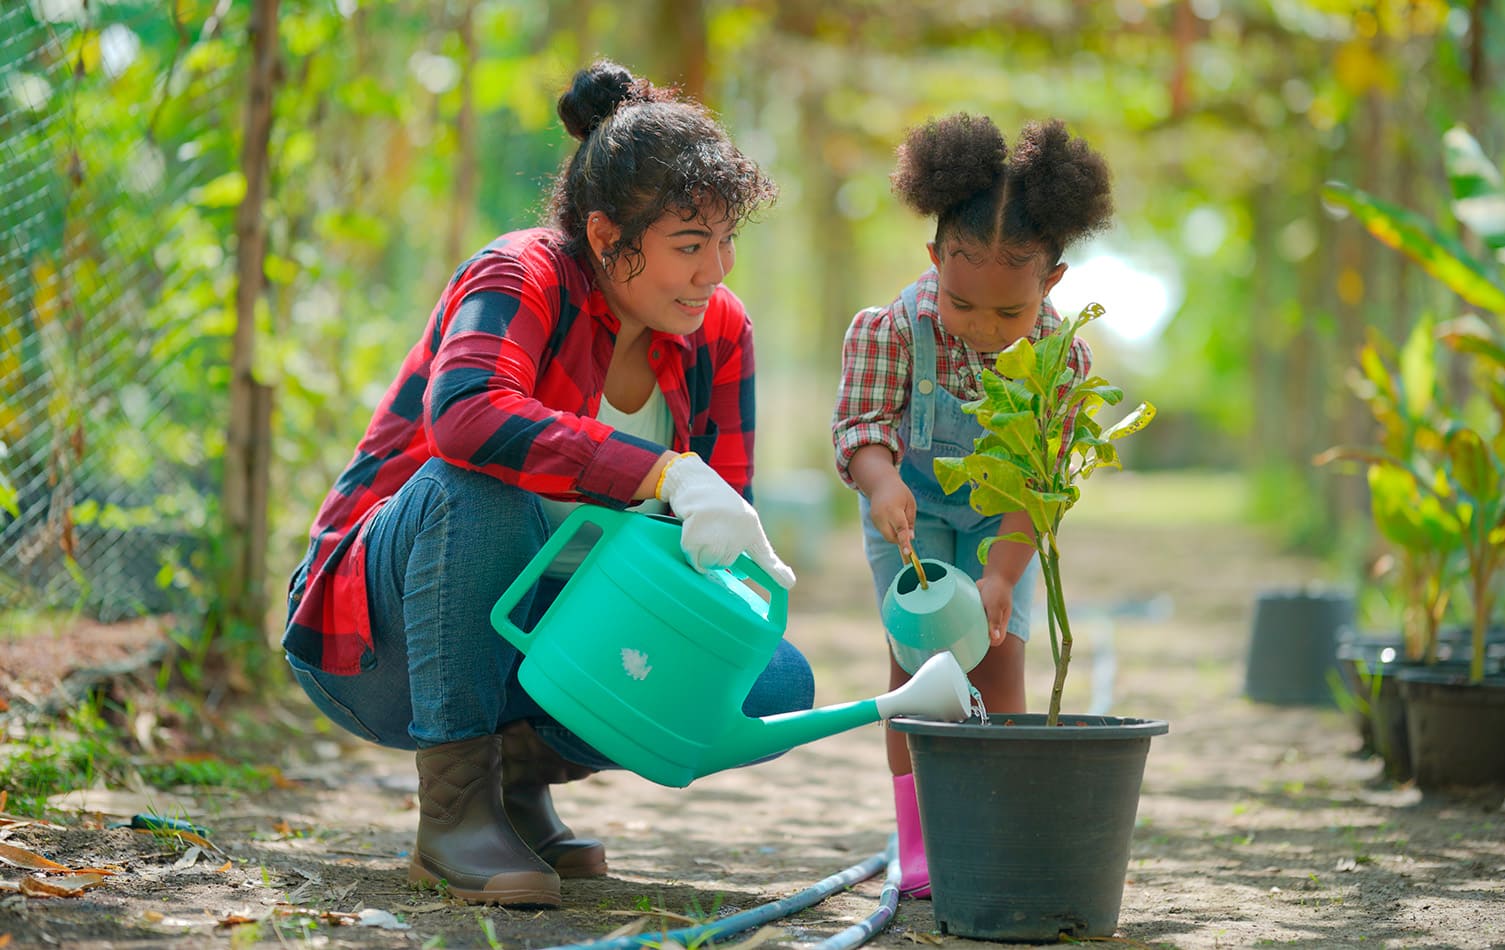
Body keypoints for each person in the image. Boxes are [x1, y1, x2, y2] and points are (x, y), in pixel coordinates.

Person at [281, 59, 811, 909]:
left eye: (724, 241)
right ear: (606, 238)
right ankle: (454, 811)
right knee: (479, 485)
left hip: (543, 635)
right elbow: (467, 418)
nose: (716, 269)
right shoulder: (519, 274)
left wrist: (728, 560)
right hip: (385, 641)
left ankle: (517, 784)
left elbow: (706, 530)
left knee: (770, 677)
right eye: (688, 245)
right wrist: (662, 470)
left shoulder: (719, 330)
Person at [831, 113, 1113, 898]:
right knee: (915, 661)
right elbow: (861, 427)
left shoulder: (1063, 360)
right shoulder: (890, 331)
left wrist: (1002, 574)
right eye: (964, 307)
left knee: (998, 657)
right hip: (908, 511)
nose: (985, 331)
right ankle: (918, 840)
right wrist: (881, 480)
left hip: (1003, 518)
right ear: (934, 261)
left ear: (1051, 283)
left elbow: (1038, 487)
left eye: (1009, 314)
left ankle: (992, 824)